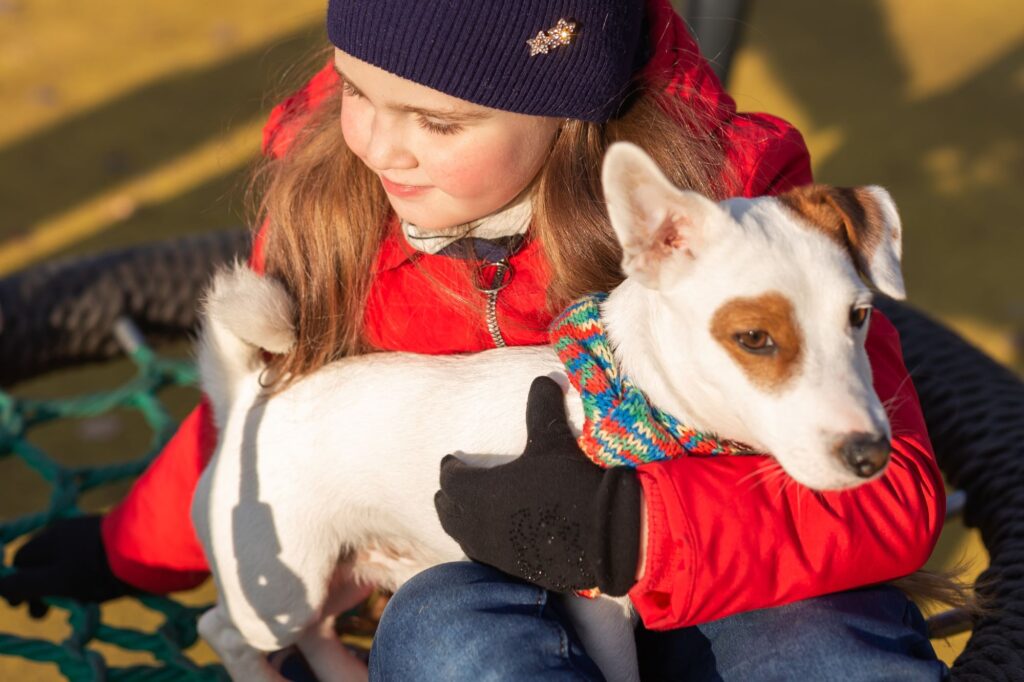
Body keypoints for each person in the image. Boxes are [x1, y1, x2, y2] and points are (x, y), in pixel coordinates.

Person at [0, 0, 948, 678]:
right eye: (353, 90)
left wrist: (636, 533)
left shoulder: (738, 216)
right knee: (456, 634)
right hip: (472, 579)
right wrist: (133, 547)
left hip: (748, 566)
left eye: (439, 120)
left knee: (818, 645)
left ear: (568, 109)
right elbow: (277, 423)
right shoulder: (335, 215)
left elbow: (894, 492)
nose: (380, 145)